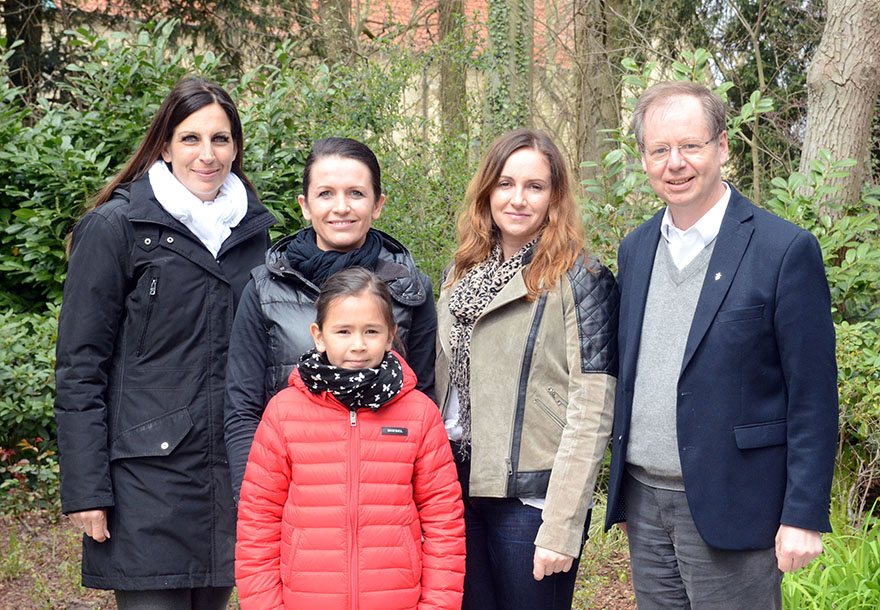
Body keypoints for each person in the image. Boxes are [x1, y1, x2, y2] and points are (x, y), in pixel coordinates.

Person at [604, 81, 839, 609]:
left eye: (691, 145)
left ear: (723, 147)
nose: (676, 163)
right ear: (642, 158)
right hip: (645, 503)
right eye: (660, 150)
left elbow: (813, 396)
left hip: (736, 502)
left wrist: (802, 513)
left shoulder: (784, 250)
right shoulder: (637, 249)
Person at [53, 78, 275, 609]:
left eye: (221, 139)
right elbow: (80, 368)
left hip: (227, 475)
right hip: (145, 483)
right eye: (191, 138)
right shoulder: (117, 227)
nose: (207, 154)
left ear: (236, 147)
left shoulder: (251, 232)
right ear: (166, 144)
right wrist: (87, 489)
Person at [435, 128, 619, 610]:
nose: (517, 199)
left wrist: (562, 523)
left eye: (535, 187)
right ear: (486, 191)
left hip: (531, 499)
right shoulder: (459, 273)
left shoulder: (582, 277)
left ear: (554, 197)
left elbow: (593, 405)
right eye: (505, 183)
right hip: (456, 486)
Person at [235, 267, 465, 609]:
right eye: (343, 331)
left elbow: (443, 520)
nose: (358, 345)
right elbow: (258, 521)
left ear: (390, 336)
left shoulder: (419, 413)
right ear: (319, 335)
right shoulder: (283, 412)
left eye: (371, 331)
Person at [224, 137, 437, 502]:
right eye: (325, 194)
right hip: (295, 502)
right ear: (305, 206)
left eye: (356, 193)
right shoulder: (265, 290)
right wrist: (257, 501)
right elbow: (242, 410)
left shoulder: (408, 291)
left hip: (384, 505)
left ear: (377, 204)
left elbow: (422, 401)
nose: (341, 208)